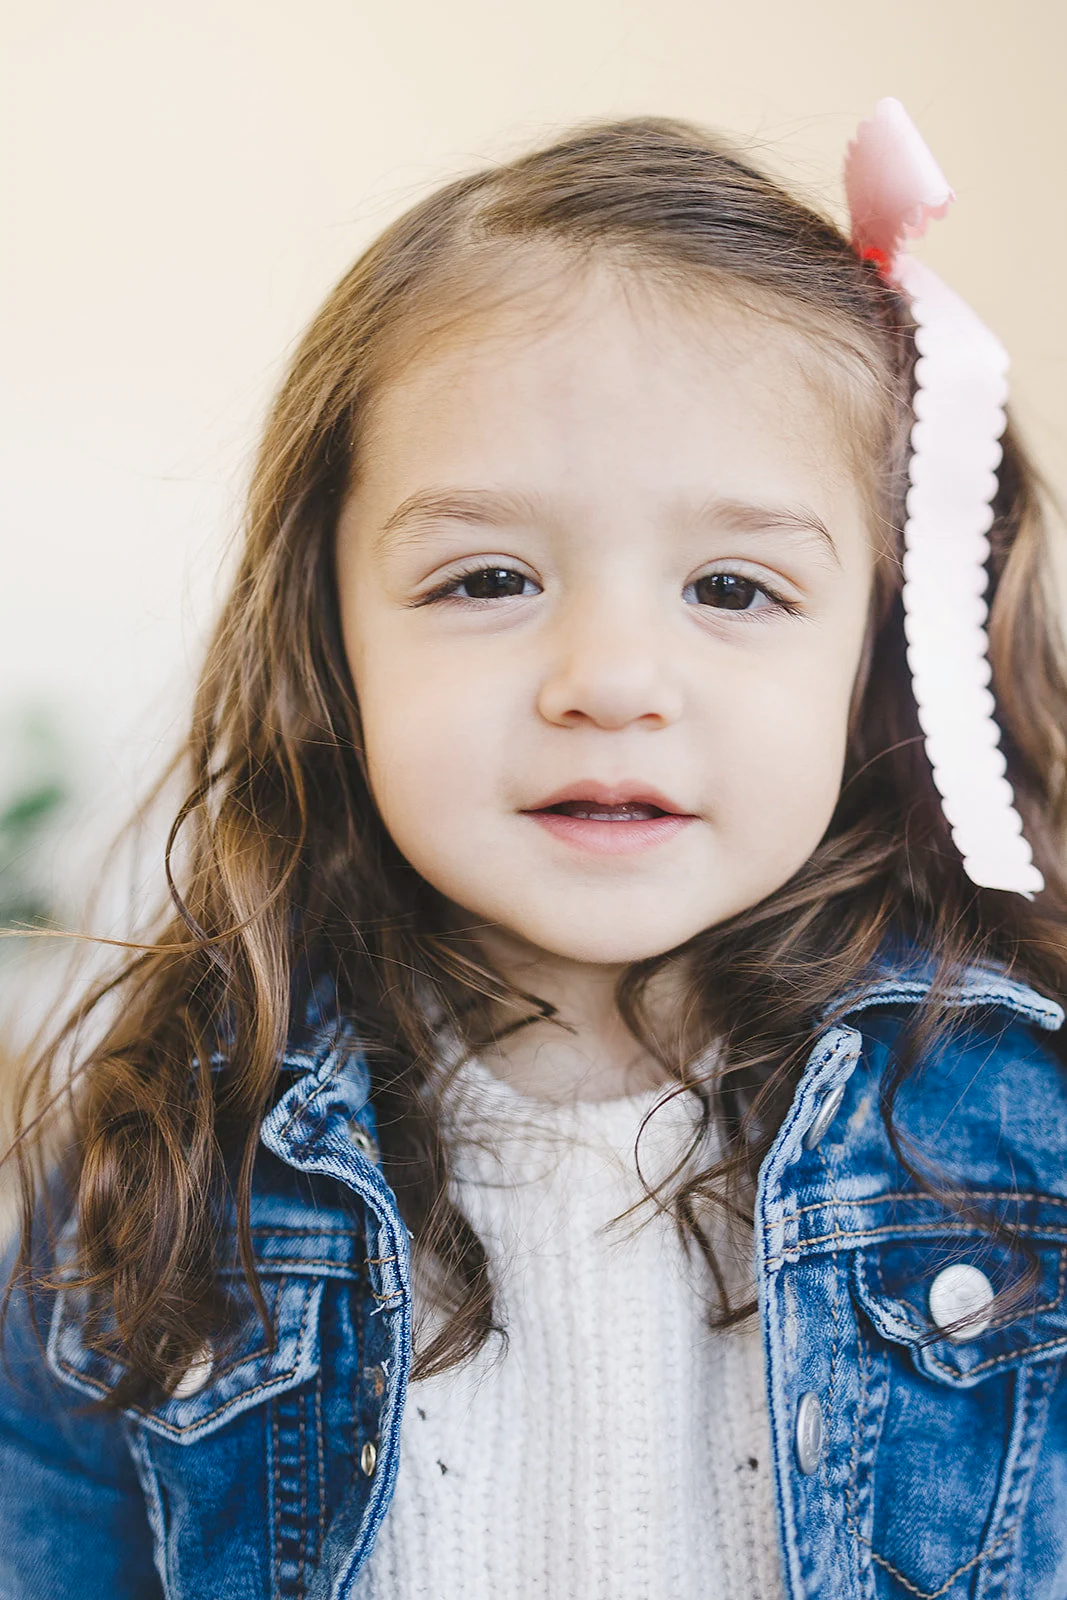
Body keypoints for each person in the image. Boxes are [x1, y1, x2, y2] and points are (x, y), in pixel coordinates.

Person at [1, 99, 1066, 1600]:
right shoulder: (176, 1150)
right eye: (489, 575)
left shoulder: (1023, 1133)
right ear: (331, 636)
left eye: (734, 587)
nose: (608, 677)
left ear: (882, 658)